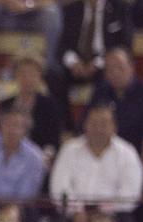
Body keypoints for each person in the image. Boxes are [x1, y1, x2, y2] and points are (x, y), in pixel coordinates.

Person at [49, 103, 143, 222]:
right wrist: (76, 211)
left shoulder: (127, 152)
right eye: (94, 123)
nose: (98, 128)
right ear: (85, 125)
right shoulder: (69, 149)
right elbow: (59, 187)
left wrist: (102, 214)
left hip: (115, 215)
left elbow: (130, 193)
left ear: (114, 127)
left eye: (104, 124)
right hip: (75, 215)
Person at [48, 0, 134, 131]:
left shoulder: (119, 8)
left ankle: (104, 126)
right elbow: (62, 46)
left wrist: (99, 63)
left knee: (109, 77)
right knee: (53, 74)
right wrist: (73, 62)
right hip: (76, 62)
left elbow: (124, 44)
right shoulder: (71, 9)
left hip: (104, 63)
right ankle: (65, 127)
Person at [0, 53, 63, 164]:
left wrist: (45, 157)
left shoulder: (50, 105)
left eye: (32, 74)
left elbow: (53, 141)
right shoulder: (5, 104)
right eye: (23, 74)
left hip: (39, 158)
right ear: (16, 76)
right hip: (8, 156)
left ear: (39, 77)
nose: (27, 79)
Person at [0, 0, 61, 77]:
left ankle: (50, 70)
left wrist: (28, 5)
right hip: (3, 14)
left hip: (33, 15)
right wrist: (8, 2)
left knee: (52, 11)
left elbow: (51, 1)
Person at [88, 46, 143, 158]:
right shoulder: (100, 91)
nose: (115, 73)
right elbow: (85, 123)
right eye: (109, 69)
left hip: (134, 156)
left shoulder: (142, 92)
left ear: (131, 67)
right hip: (100, 153)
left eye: (120, 68)